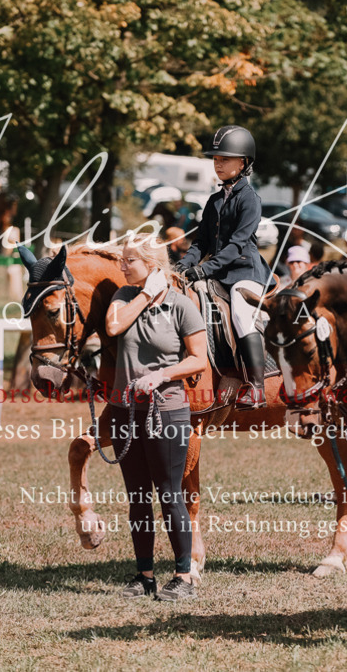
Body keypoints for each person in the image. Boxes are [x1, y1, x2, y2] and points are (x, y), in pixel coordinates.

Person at [105, 233, 208, 600]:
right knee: (137, 497)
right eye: (122, 259)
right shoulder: (123, 298)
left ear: (151, 264)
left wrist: (161, 375)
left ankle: (184, 576)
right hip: (124, 412)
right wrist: (147, 294)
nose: (121, 266)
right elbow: (114, 327)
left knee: (169, 494)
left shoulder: (182, 306)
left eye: (129, 260)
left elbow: (198, 359)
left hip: (167, 412)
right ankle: (144, 575)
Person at [176, 125, 272, 409]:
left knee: (241, 313)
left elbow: (238, 244)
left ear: (243, 163)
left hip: (246, 272)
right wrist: (182, 267)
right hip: (217, 272)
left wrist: (204, 270)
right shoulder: (214, 200)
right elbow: (200, 242)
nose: (218, 164)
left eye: (225, 159)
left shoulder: (250, 199)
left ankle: (257, 387)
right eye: (216, 159)